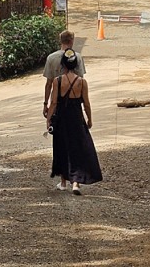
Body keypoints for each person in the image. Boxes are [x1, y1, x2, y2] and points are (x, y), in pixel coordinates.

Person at [46, 50, 102, 194]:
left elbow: (53, 103)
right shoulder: (82, 82)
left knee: (62, 148)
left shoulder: (57, 81)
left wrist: (48, 120)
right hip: (76, 119)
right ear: (76, 65)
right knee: (77, 148)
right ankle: (76, 183)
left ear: (63, 65)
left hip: (62, 119)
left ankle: (63, 182)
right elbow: (87, 104)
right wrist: (90, 119)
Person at [43, 30, 85, 118]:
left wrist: (45, 104)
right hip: (74, 98)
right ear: (71, 41)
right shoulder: (77, 57)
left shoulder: (51, 58)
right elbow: (81, 81)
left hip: (56, 99)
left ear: (61, 41)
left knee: (57, 125)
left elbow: (48, 84)